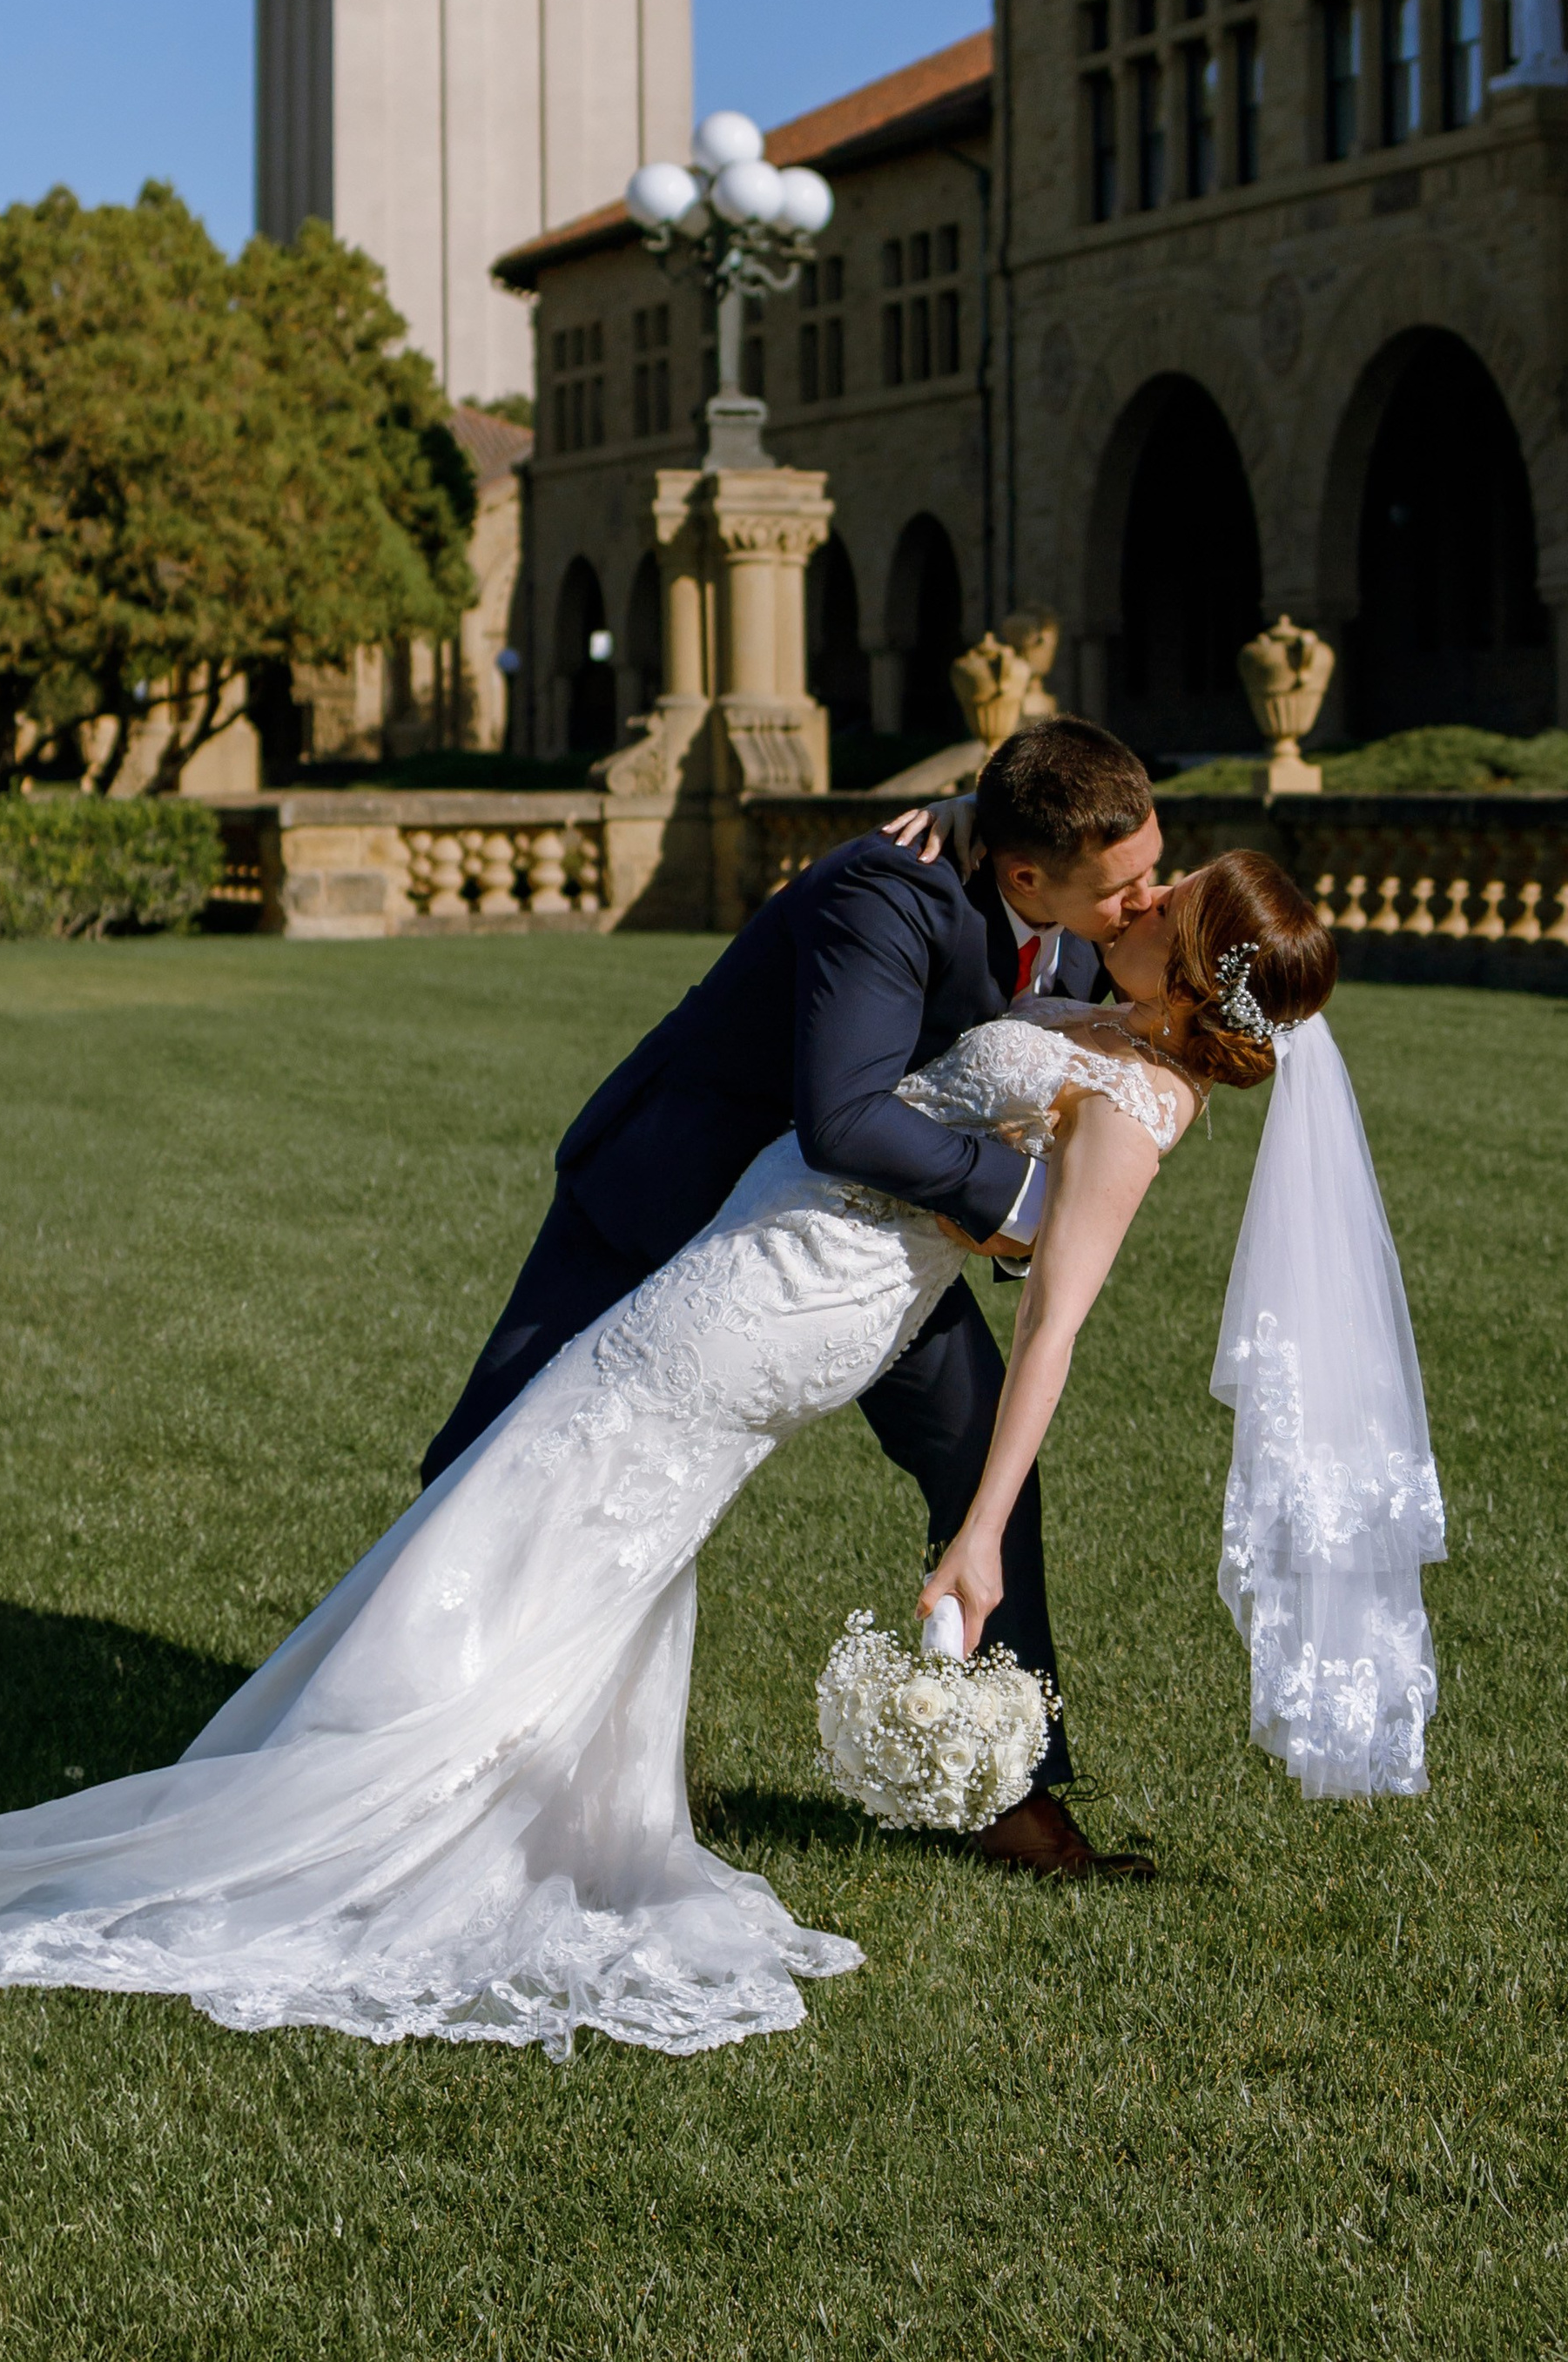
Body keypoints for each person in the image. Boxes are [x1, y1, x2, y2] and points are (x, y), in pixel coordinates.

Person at [0, 855, 1344, 2063]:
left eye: (1171, 892)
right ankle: (502, 1789)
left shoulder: (1145, 1112)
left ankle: (385, 1788)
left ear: (1192, 962)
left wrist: (976, 1533)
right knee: (575, 1503)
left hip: (792, 1306)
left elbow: (1051, 1337)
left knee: (561, 1477)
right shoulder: (1100, 1013)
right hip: (766, 1255)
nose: (1145, 892)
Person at [423, 713, 1164, 1876]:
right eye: (1124, 884)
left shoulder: (1070, 925)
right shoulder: (887, 888)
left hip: (860, 1251)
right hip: (675, 1186)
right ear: (1026, 871)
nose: (1145, 902)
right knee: (490, 1452)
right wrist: (1026, 1206)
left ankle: (1012, 1791)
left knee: (985, 1471)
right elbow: (850, 1115)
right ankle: (420, 1734)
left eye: (1150, 873)